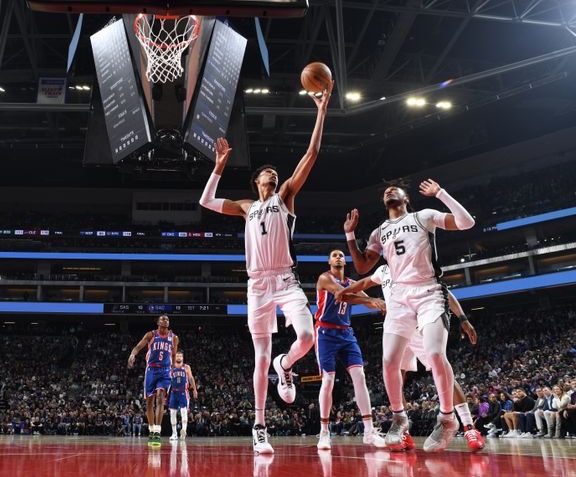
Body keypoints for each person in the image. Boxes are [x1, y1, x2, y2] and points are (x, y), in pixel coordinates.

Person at [198, 82, 333, 454]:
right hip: (257, 285)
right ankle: (260, 427)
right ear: (257, 181)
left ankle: (286, 365)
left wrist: (321, 111)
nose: (272, 176)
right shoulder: (246, 206)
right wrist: (219, 166)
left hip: (287, 281)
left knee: (307, 338)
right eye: (267, 174)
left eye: (276, 175)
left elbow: (312, 153)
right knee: (258, 357)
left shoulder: (285, 196)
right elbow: (206, 200)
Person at [344, 180, 475, 452]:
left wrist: (441, 193)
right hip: (400, 298)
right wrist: (349, 236)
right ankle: (398, 417)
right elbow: (361, 267)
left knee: (436, 355)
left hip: (428, 291)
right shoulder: (380, 231)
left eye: (395, 189)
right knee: (389, 362)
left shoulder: (423, 216)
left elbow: (467, 222)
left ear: (406, 198)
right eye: (385, 191)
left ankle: (448, 419)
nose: (389, 191)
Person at [338, 264, 486, 452]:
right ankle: (404, 432)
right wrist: (344, 291)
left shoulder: (413, 261)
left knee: (441, 370)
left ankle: (469, 428)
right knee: (396, 378)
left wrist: (463, 318)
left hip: (419, 325)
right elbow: (364, 283)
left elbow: (443, 291)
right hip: (397, 327)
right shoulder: (383, 270)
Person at [313, 249, 386, 450]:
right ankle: (324, 432)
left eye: (340, 255)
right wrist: (370, 300)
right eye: (334, 255)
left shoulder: (352, 283)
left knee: (360, 376)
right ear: (329, 260)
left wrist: (383, 305)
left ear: (344, 261)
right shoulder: (324, 278)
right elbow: (342, 295)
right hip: (325, 333)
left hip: (346, 333)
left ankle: (369, 431)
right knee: (328, 380)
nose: (337, 257)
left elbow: (369, 301)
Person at [128, 315, 179, 447]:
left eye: (167, 319)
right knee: (150, 401)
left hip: (165, 370)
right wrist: (132, 355)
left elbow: (173, 355)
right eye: (163, 319)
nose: (165, 320)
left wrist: (173, 368)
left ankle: (157, 431)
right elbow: (138, 347)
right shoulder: (151, 335)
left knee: (161, 399)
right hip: (151, 370)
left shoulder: (174, 337)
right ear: (158, 322)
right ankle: (151, 429)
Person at [168, 351, 198, 441]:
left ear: (183, 357)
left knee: (183, 412)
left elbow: (191, 378)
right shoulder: (171, 367)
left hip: (183, 392)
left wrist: (195, 390)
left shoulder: (186, 367)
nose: (179, 357)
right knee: (172, 413)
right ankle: (174, 433)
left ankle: (183, 431)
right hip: (173, 392)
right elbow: (167, 379)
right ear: (175, 357)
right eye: (177, 356)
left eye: (180, 356)